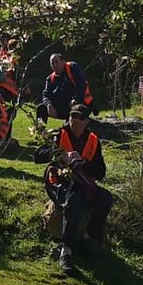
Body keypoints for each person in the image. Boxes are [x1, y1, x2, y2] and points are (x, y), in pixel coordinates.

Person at [45, 104, 112, 274]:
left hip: (84, 184)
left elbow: (101, 172)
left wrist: (83, 162)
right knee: (74, 200)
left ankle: (89, 240)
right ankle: (65, 251)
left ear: (87, 121)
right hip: (60, 182)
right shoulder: (58, 134)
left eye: (80, 117)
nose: (75, 120)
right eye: (72, 116)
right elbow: (39, 157)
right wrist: (59, 156)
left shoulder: (93, 140)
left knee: (106, 198)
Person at [35, 52, 93, 126]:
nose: (55, 65)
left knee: (77, 108)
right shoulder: (50, 79)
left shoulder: (72, 68)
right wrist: (49, 104)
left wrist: (74, 100)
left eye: (57, 62)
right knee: (41, 108)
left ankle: (75, 130)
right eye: (52, 63)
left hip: (81, 104)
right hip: (62, 108)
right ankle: (40, 133)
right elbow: (45, 95)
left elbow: (81, 85)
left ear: (63, 62)